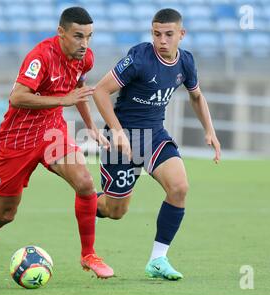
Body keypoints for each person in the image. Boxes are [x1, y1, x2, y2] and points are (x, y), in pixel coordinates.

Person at [0, 7, 114, 282]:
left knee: (86, 184)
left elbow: (78, 91)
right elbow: (17, 97)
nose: (84, 44)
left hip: (52, 131)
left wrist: (90, 126)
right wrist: (62, 100)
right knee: (5, 214)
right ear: (61, 32)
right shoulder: (40, 57)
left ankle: (89, 255)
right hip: (18, 138)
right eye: (78, 36)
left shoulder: (84, 58)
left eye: (89, 36)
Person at [92, 8, 221, 280]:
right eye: (156, 34)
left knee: (179, 187)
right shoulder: (139, 58)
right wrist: (116, 131)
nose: (162, 40)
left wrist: (209, 130)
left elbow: (196, 96)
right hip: (124, 138)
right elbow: (101, 91)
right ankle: (87, 202)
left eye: (168, 34)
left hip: (154, 136)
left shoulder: (186, 62)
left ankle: (158, 259)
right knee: (115, 212)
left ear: (181, 35)